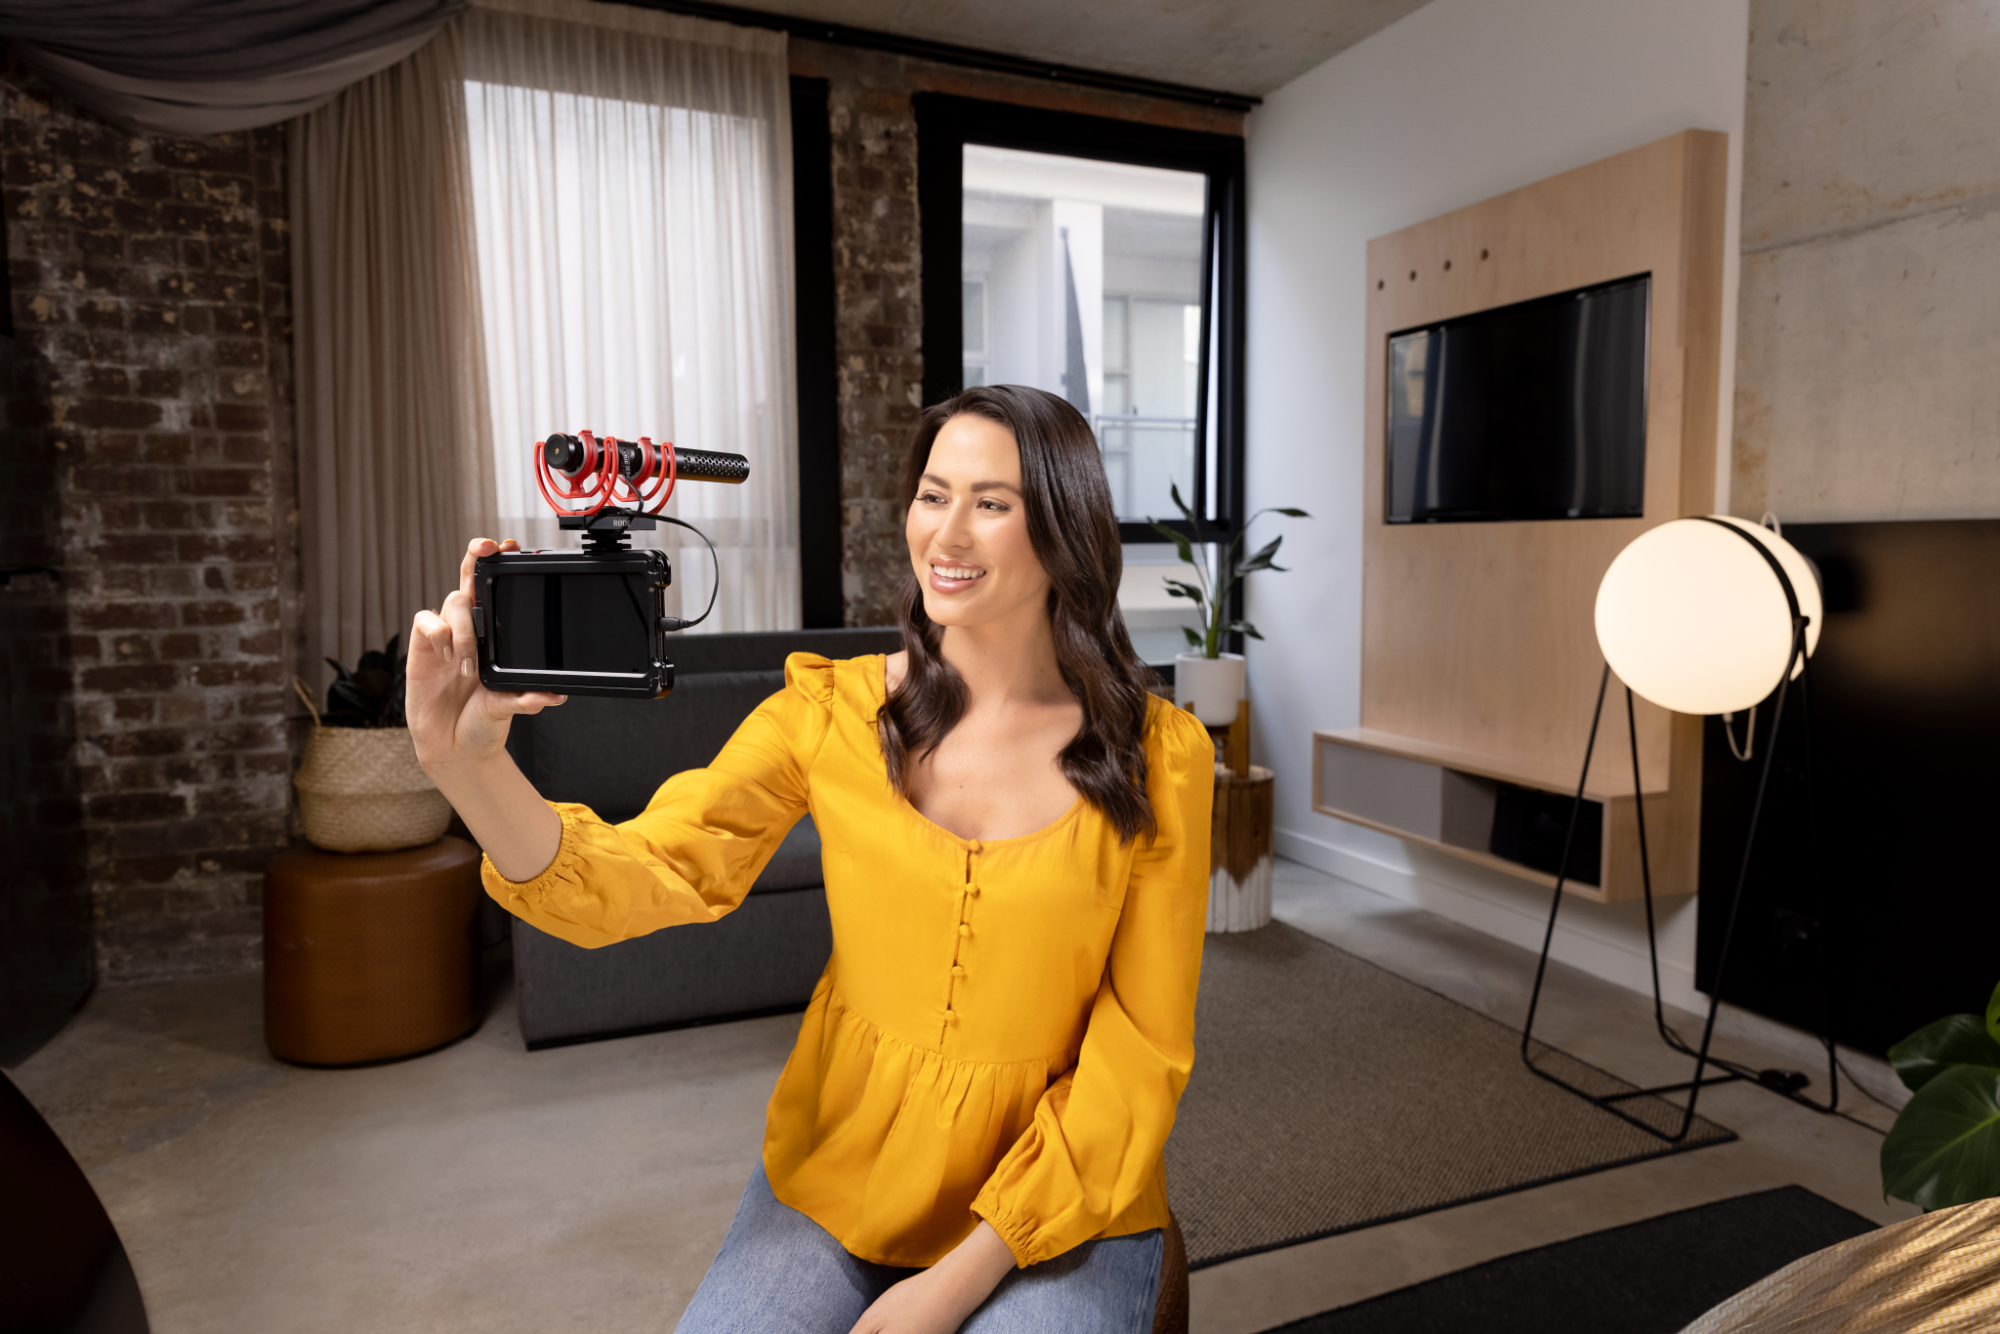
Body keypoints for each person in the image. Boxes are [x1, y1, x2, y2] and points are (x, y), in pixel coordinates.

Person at [407, 384, 1214, 1333]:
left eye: (992, 503)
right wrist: (467, 767)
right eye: (932, 495)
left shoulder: (1160, 756)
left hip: (1064, 1188)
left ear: (1064, 530)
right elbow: (645, 875)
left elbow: (1141, 1053)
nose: (946, 533)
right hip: (844, 1162)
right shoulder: (826, 713)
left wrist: (951, 1284)